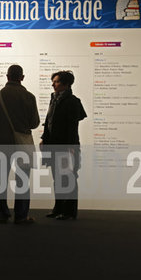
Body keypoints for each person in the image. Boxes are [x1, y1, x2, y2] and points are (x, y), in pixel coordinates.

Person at [0, 65, 40, 224]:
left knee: (1, 180)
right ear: (22, 77)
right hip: (22, 144)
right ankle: (21, 215)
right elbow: (35, 123)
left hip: (2, 143)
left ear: (7, 76)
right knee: (22, 180)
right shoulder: (29, 97)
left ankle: (2, 213)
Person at [41, 71, 86, 220]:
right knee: (58, 178)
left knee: (69, 178)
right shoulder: (54, 99)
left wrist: (71, 147)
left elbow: (72, 126)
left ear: (66, 84)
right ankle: (58, 208)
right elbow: (49, 121)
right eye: (53, 81)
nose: (53, 84)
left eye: (56, 81)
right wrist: (44, 138)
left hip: (66, 147)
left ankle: (69, 211)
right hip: (54, 145)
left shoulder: (72, 101)